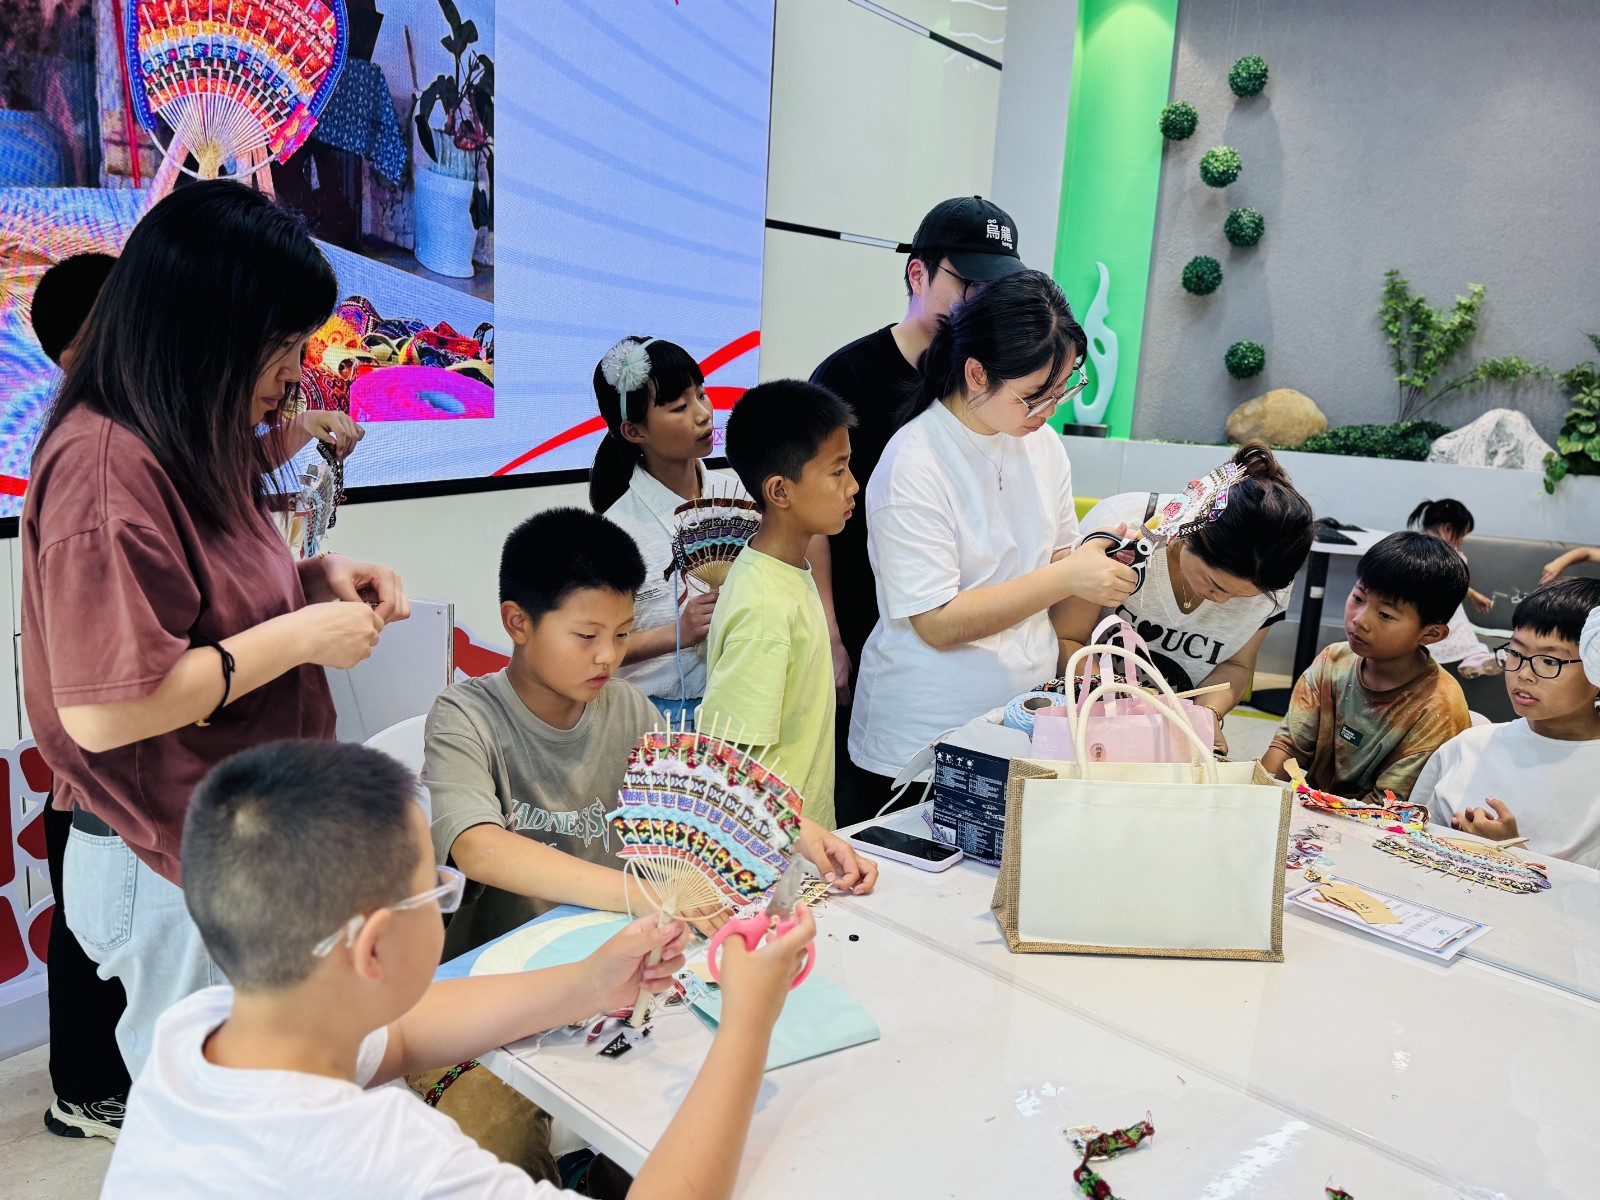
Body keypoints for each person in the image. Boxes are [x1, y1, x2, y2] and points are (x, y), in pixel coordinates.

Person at [21, 181, 408, 1085]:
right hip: (175, 863)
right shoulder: (107, 469)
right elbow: (108, 711)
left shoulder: (184, 436)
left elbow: (205, 606)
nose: (295, 375)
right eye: (285, 346)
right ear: (211, 328)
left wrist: (315, 580)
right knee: (226, 1120)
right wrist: (303, 636)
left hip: (235, 838)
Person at [103, 739, 817, 1199]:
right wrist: (747, 1026)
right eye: (438, 890)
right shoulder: (389, 1157)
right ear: (373, 947)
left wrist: (590, 984)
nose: (448, 900)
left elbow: (401, 1034)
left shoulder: (198, 1033)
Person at [423, 508, 875, 961]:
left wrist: (800, 831)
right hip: (504, 962)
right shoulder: (464, 716)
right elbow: (479, 848)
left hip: (614, 949)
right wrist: (643, 893)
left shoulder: (625, 706)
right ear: (518, 622)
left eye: (622, 634)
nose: (608, 656)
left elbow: (704, 789)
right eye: (587, 636)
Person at [847, 270, 1138, 812]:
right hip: (924, 737)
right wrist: (1068, 575)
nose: (1050, 410)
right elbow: (937, 623)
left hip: (1021, 720)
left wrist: (1097, 559)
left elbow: (1056, 558)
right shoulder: (914, 461)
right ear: (977, 373)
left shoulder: (1042, 445)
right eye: (1034, 396)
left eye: (1065, 389)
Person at [810, 196, 1026, 825]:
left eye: (996, 288)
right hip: (867, 625)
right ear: (918, 274)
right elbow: (810, 523)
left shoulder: (989, 382)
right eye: (968, 284)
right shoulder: (848, 376)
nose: (980, 302)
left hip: (966, 646)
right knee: (864, 811)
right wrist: (830, 634)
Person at [1062, 445, 1315, 753]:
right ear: (1188, 534)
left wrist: (1206, 716)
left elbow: (1236, 664)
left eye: (1242, 597)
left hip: (1173, 732)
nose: (1222, 601)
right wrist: (1124, 705)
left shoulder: (1270, 575)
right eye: (1214, 584)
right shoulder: (1124, 530)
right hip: (1084, 714)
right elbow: (1066, 639)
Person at [699, 380, 859, 829]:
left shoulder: (787, 572)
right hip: (771, 852)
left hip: (803, 845)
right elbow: (729, 768)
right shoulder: (764, 606)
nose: (853, 485)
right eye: (837, 472)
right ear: (780, 492)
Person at [588, 335, 749, 724]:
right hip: (651, 721)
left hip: (737, 707)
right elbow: (595, 647)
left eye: (702, 394)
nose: (703, 414)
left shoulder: (738, 496)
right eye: (679, 407)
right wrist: (680, 632)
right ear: (634, 431)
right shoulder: (616, 531)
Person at [1262, 532, 1471, 802]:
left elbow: (1387, 807)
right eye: (1358, 598)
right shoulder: (1333, 660)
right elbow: (1288, 747)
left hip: (1380, 823)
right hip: (1316, 811)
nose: (1360, 620)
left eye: (1385, 615)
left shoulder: (1439, 709)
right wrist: (1256, 794)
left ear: (1431, 634)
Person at [1411, 579, 1600, 867]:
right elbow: (1408, 835)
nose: (1523, 673)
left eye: (1550, 661)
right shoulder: (1467, 746)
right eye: (1516, 653)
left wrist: (1515, 855)